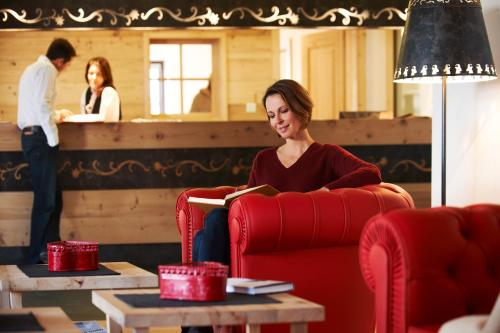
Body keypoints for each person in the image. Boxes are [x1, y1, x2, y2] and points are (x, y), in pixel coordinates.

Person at [185, 79, 382, 333]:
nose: (277, 120)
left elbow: (371, 172)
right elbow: (251, 197)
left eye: (283, 110)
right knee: (205, 233)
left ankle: (200, 325)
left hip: (288, 236)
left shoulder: (327, 155)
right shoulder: (264, 158)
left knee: (208, 230)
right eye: (270, 115)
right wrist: (238, 195)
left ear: (301, 109)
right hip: (257, 236)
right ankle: (209, 323)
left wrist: (324, 191)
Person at [17, 38, 76, 264]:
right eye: (67, 64)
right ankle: (37, 254)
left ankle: (50, 249)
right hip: (40, 139)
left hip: (33, 136)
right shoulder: (47, 69)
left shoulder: (33, 69)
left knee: (54, 198)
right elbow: (42, 105)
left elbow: (38, 106)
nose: (64, 69)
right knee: (46, 200)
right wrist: (53, 139)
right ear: (60, 60)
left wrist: (55, 115)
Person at [80, 57, 121, 122]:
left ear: (105, 76)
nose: (94, 78)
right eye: (91, 73)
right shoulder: (86, 92)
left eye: (99, 74)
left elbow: (107, 122)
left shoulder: (109, 92)